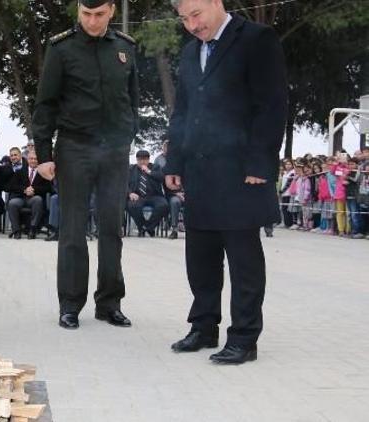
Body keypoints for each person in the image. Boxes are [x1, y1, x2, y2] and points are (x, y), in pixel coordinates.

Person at [165, 0, 287, 364]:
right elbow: (183, 110)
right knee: (200, 255)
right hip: (200, 172)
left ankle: (244, 337)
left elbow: (272, 104)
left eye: (196, 14)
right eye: (184, 19)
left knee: (243, 257)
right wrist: (175, 161)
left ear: (216, 3)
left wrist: (260, 161)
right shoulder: (190, 52)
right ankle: (203, 327)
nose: (192, 25)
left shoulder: (256, 39)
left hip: (242, 170)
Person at [31, 0, 139, 330]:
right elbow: (45, 104)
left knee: (111, 229)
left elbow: (132, 97)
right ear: (78, 11)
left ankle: (109, 303)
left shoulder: (125, 47)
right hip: (74, 148)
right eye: (86, 14)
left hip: (114, 152)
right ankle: (70, 305)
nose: (92, 21)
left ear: (111, 11)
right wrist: (44, 154)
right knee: (73, 230)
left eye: (100, 14)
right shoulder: (61, 49)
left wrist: (128, 133)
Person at [5, 151, 53, 239]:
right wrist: (25, 190)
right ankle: (16, 230)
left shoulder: (43, 173)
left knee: (38, 200)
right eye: (31, 159)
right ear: (27, 160)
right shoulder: (20, 171)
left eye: (35, 159)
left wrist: (34, 190)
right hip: (21, 197)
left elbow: (48, 188)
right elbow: (12, 186)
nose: (33, 161)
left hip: (34, 198)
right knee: (12, 203)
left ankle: (32, 229)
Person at [126, 149, 168, 237]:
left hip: (154, 195)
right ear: (137, 160)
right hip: (138, 196)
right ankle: (142, 227)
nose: (142, 162)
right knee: (132, 206)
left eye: (144, 159)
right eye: (140, 159)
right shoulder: (131, 169)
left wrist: (149, 171)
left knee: (163, 205)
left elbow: (161, 178)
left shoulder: (155, 167)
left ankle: (148, 227)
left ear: (148, 160)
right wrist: (130, 193)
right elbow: (124, 183)